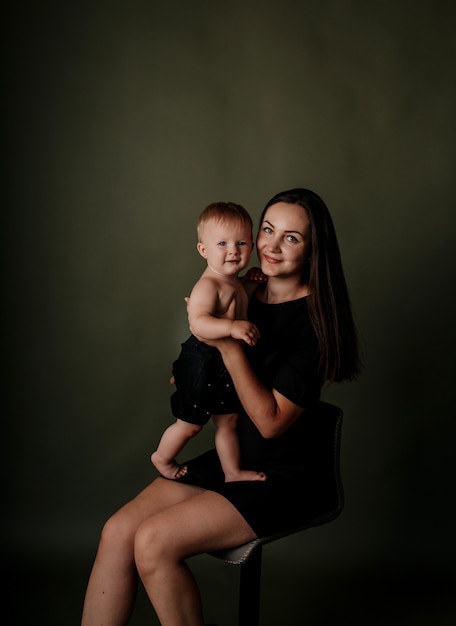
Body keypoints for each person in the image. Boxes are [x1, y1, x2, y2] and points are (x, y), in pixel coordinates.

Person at [81, 187, 361, 626]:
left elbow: (270, 424)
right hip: (235, 456)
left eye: (291, 238)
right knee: (118, 532)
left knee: (153, 542)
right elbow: (205, 353)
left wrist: (226, 348)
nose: (270, 245)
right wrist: (195, 369)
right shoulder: (246, 286)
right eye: (267, 230)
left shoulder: (315, 326)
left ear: (313, 251)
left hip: (286, 473)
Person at [151, 201, 266, 482]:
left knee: (228, 420)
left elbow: (237, 300)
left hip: (223, 364)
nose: (233, 251)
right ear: (203, 250)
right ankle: (162, 458)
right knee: (190, 425)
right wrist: (232, 327)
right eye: (222, 243)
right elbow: (198, 322)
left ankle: (232, 471)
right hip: (202, 359)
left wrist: (250, 284)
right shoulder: (208, 285)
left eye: (241, 242)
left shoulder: (232, 279)